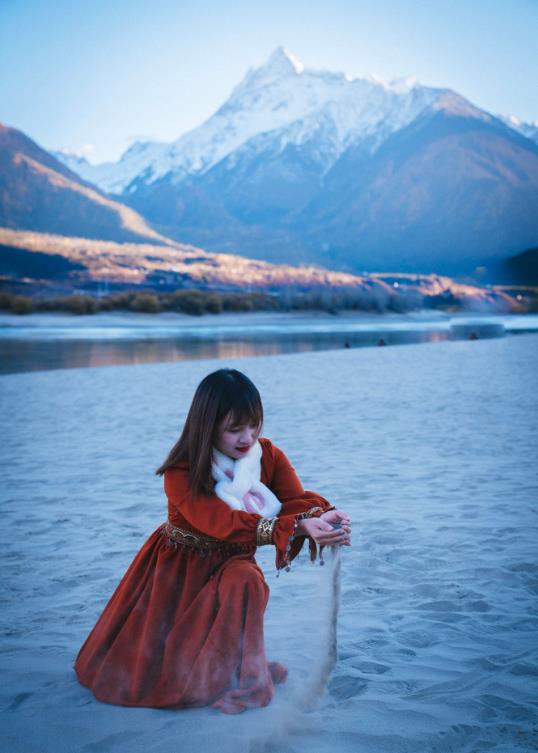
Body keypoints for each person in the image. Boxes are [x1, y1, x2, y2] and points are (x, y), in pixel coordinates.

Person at [74, 368, 351, 714]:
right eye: (234, 428)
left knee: (246, 579)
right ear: (207, 424)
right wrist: (294, 528)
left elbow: (294, 499)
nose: (246, 437)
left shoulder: (268, 456)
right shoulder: (182, 470)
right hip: (179, 570)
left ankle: (252, 682)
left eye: (253, 424)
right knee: (153, 671)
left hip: (233, 563)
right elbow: (222, 523)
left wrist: (315, 517)